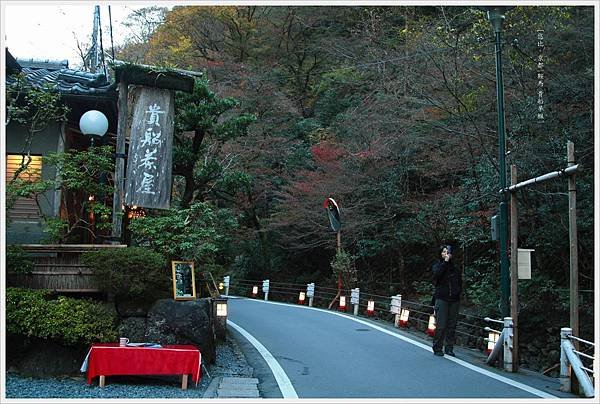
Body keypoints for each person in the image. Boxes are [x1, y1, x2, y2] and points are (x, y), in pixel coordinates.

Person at [431, 244, 462, 357]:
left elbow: (459, 282)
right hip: (442, 298)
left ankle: (449, 348)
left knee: (452, 325)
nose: (446, 254)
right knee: (441, 325)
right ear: (441, 254)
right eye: (444, 252)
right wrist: (445, 263)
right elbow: (436, 276)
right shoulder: (438, 266)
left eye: (448, 252)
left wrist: (458, 292)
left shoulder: (455, 268)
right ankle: (437, 347)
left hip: (454, 299)